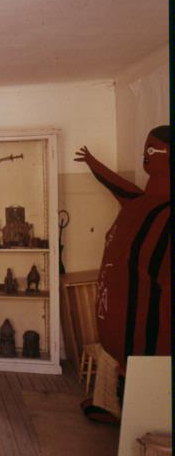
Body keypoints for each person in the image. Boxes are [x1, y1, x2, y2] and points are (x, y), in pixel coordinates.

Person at [75, 125, 170, 370]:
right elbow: (115, 183)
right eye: (146, 149)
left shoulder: (161, 212)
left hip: (146, 344)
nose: (146, 155)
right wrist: (91, 161)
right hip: (117, 334)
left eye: (152, 149)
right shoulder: (138, 203)